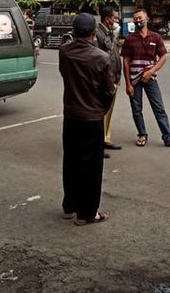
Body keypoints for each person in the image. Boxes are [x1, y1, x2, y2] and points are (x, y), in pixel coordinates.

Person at [59, 13, 115, 225]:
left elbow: (65, 74)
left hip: (71, 114)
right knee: (91, 166)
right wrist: (101, 109)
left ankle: (69, 205)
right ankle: (88, 212)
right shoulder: (101, 57)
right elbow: (108, 91)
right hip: (91, 117)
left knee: (71, 161)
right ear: (94, 33)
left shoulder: (65, 52)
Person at [121, 8, 170, 149]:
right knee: (137, 110)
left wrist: (152, 71)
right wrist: (128, 84)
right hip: (134, 80)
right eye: (136, 18)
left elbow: (163, 57)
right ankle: (142, 135)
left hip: (150, 78)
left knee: (159, 108)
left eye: (140, 18)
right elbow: (126, 62)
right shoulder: (130, 39)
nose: (138, 20)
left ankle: (168, 137)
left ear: (147, 19)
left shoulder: (155, 37)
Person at [95, 6, 123, 157]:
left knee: (109, 111)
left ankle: (106, 139)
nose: (117, 20)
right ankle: (98, 144)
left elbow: (115, 55)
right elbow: (99, 59)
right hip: (105, 79)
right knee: (101, 111)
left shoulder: (112, 33)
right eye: (115, 18)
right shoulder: (98, 34)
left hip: (114, 77)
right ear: (107, 19)